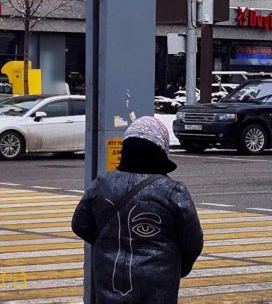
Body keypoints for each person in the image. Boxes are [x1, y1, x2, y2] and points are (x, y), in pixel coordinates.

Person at [72, 116, 204, 304]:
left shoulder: (101, 185)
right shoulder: (173, 191)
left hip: (109, 282)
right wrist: (177, 267)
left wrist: (107, 243)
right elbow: (192, 241)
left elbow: (79, 225)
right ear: (161, 150)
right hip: (157, 288)